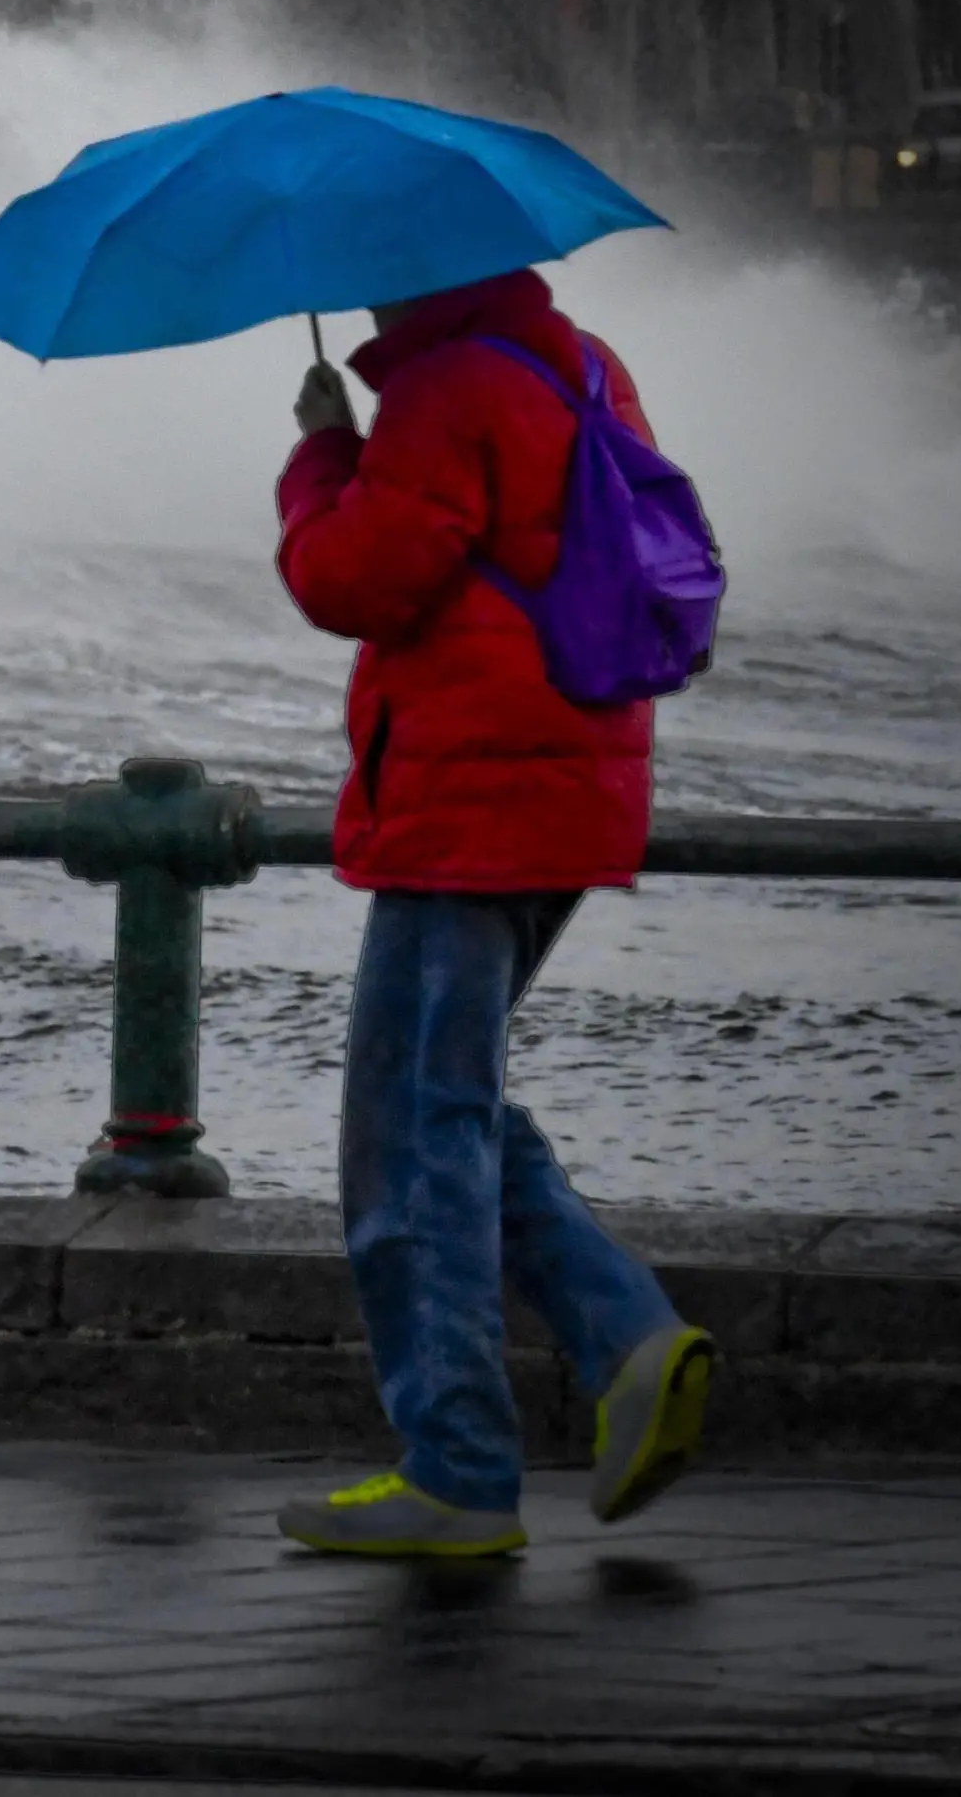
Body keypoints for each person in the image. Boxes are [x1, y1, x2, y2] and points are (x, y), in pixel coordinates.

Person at [269, 266, 715, 1559]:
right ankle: (628, 1339)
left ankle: (459, 1468)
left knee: (407, 1129)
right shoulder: (580, 362)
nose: (356, 301)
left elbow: (355, 579)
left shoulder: (444, 389)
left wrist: (316, 461)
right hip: (571, 782)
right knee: (443, 1102)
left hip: (471, 800)